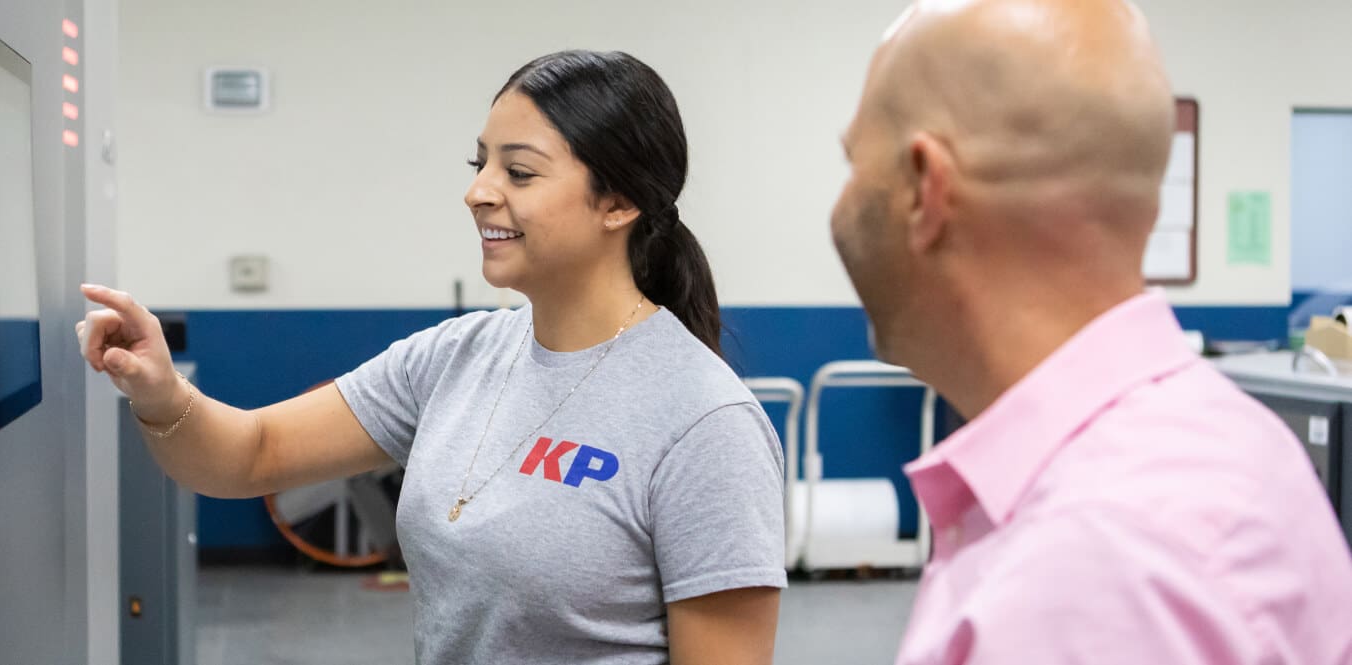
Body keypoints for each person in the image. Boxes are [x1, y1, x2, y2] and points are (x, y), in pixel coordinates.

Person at [79, 50, 786, 664]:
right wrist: (161, 393)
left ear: (618, 202)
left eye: (520, 171)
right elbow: (252, 453)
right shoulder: (456, 356)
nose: (478, 191)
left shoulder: (704, 421)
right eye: (481, 164)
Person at [830, 1, 1352, 662]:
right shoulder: (1233, 444)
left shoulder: (1089, 565)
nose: (841, 206)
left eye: (853, 164)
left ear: (926, 190)